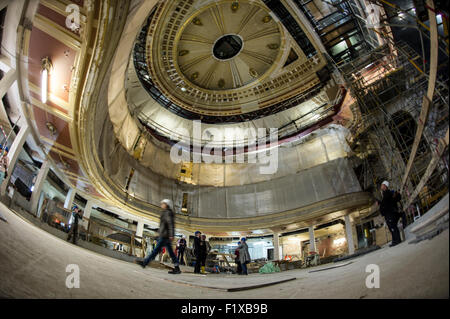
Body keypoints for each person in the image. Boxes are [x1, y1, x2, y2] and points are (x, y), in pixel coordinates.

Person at [137, 199, 181, 274]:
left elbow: (170, 224)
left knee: (156, 251)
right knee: (168, 252)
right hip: (164, 235)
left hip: (165, 236)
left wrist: (171, 235)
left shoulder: (167, 213)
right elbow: (163, 226)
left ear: (167, 205)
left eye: (163, 203)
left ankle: (145, 263)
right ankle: (177, 268)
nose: (161, 205)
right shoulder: (165, 212)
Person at [377, 181, 402, 247]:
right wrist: (380, 203)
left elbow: (386, 203)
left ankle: (397, 240)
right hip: (388, 213)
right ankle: (395, 240)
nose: (381, 186)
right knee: (392, 227)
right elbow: (385, 202)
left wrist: (380, 204)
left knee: (393, 227)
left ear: (385, 186)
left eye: (382, 185)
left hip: (390, 213)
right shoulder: (386, 193)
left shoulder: (387, 193)